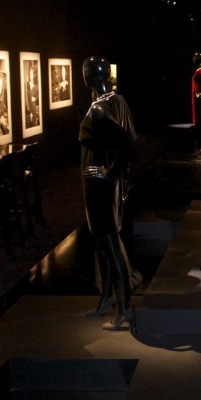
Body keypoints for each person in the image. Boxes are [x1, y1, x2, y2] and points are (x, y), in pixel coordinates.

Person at [79, 56, 138, 331]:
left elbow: (127, 146)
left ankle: (124, 307)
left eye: (86, 71)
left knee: (110, 244)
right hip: (101, 187)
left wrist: (109, 173)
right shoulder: (116, 100)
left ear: (93, 75)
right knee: (103, 244)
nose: (83, 75)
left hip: (100, 187)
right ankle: (108, 296)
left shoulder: (100, 110)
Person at [25, 61, 40, 128]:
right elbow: (26, 97)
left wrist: (35, 98)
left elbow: (37, 95)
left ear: (33, 75)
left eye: (32, 74)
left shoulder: (35, 86)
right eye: (30, 74)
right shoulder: (27, 84)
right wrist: (29, 110)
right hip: (29, 107)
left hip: (34, 106)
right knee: (30, 124)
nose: (31, 76)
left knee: (34, 123)